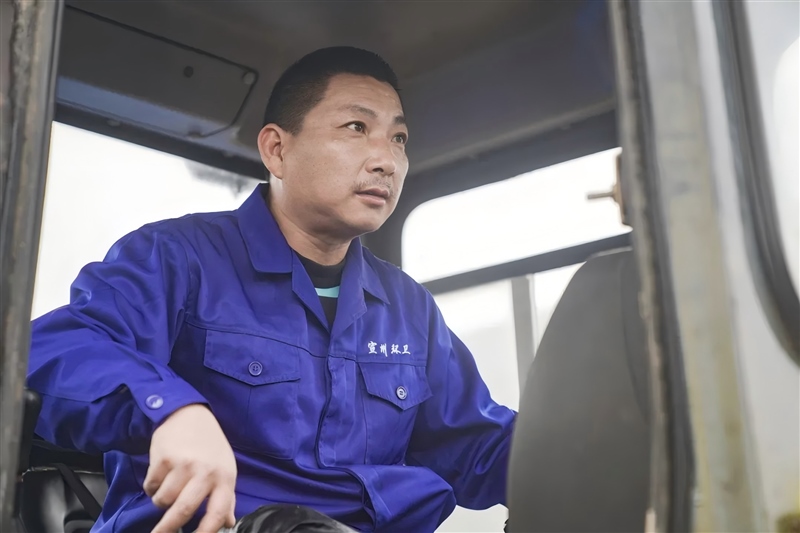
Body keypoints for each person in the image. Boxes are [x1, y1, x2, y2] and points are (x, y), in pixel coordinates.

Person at [26, 46, 516, 533]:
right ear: (277, 150)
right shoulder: (176, 258)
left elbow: (477, 445)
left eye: (399, 138)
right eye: (356, 127)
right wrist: (172, 410)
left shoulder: (410, 309)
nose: (387, 160)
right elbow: (50, 350)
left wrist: (557, 447)